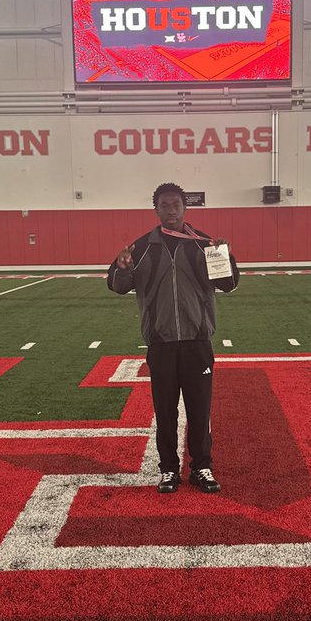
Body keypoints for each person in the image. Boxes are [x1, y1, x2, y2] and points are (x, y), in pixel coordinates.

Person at [108, 182, 239, 494]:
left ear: (184, 208)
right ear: (156, 210)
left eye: (175, 205)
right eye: (164, 205)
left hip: (197, 342)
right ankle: (168, 469)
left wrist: (224, 257)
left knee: (199, 410)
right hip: (161, 344)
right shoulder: (140, 248)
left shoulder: (203, 245)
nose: (170, 210)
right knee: (165, 411)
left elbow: (228, 284)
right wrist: (123, 268)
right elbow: (116, 285)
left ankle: (201, 467)